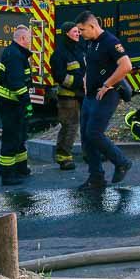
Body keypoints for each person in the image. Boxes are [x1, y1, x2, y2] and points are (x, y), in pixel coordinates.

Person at [75, 11, 132, 190]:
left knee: (94, 133)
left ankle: (122, 162)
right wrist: (86, 79)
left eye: (82, 30)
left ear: (92, 26)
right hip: (90, 96)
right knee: (86, 136)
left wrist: (107, 84)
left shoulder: (110, 42)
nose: (80, 33)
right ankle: (96, 177)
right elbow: (91, 64)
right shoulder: (90, 42)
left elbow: (126, 66)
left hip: (106, 95)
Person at [0, 25, 33, 186]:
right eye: (29, 38)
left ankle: (20, 168)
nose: (30, 41)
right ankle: (7, 175)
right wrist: (27, 103)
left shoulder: (16, 53)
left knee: (20, 136)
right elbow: (17, 84)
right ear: (22, 38)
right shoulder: (15, 55)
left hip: (13, 101)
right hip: (10, 102)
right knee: (11, 137)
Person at [49, 21, 85, 171]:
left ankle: (89, 153)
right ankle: (63, 158)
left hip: (83, 95)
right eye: (75, 31)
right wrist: (79, 82)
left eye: (78, 31)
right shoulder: (59, 54)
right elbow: (59, 76)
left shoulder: (79, 49)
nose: (78, 34)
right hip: (68, 97)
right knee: (70, 127)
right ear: (66, 34)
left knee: (87, 126)